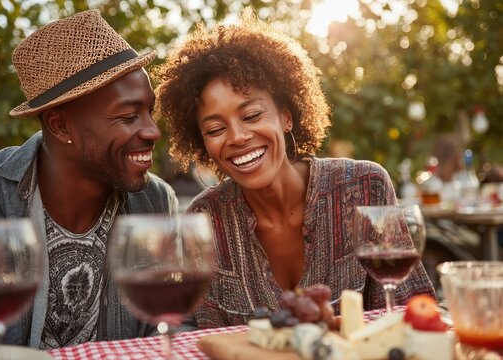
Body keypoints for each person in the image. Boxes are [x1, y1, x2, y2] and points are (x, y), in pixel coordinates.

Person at [154, 10, 436, 328]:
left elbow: (413, 314)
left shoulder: (364, 187)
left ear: (286, 117)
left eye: (251, 115)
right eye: (216, 129)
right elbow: (191, 335)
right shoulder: (203, 222)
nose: (237, 137)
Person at [0, 10, 177, 348]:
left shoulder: (155, 202)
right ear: (60, 125)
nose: (152, 131)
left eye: (150, 111)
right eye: (128, 116)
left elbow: (165, 328)